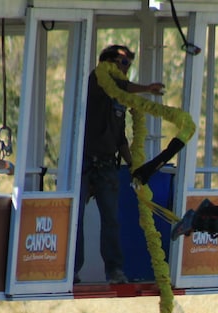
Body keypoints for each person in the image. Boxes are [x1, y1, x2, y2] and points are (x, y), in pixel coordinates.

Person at [74, 44, 165, 285]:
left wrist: (135, 168)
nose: (126, 68)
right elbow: (121, 86)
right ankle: (71, 270)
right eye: (123, 62)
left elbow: (120, 138)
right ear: (108, 63)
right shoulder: (98, 79)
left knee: (111, 219)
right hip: (82, 163)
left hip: (106, 165)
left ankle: (114, 271)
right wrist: (146, 89)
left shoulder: (118, 99)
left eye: (129, 63)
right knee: (76, 216)